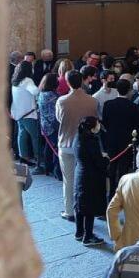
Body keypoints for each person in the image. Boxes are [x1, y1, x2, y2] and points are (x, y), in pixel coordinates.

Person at [56, 71, 99, 221]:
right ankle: (86, 210)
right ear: (81, 81)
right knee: (86, 179)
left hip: (67, 142)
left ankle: (69, 211)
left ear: (67, 82)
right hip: (86, 144)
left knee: (68, 179)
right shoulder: (92, 101)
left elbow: (59, 118)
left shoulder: (62, 101)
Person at [73, 116, 108, 246]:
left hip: (80, 174)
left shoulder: (78, 138)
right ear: (93, 127)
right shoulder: (91, 141)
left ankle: (79, 232)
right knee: (89, 208)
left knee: (79, 205)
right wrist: (106, 159)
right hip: (91, 177)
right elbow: (98, 162)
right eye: (97, 123)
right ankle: (88, 236)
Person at [101, 78, 138, 202]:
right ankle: (122, 194)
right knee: (123, 168)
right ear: (129, 91)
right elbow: (135, 125)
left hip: (111, 140)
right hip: (126, 142)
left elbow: (105, 123)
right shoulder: (133, 106)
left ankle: (110, 193)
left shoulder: (108, 105)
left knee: (111, 167)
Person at [10, 60, 45, 174]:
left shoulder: (15, 81)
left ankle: (23, 158)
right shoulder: (27, 80)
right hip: (29, 114)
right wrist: (42, 83)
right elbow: (35, 92)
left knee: (22, 136)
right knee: (35, 137)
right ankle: (39, 161)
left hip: (18, 114)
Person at [37, 73, 62, 179]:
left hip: (45, 125)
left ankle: (48, 168)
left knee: (49, 147)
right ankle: (58, 172)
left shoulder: (42, 94)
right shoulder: (52, 96)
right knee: (57, 148)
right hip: (53, 126)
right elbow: (54, 116)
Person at [7, 50, 22, 160]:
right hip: (13, 102)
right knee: (14, 129)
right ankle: (15, 151)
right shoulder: (15, 70)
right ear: (18, 60)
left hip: (10, 102)